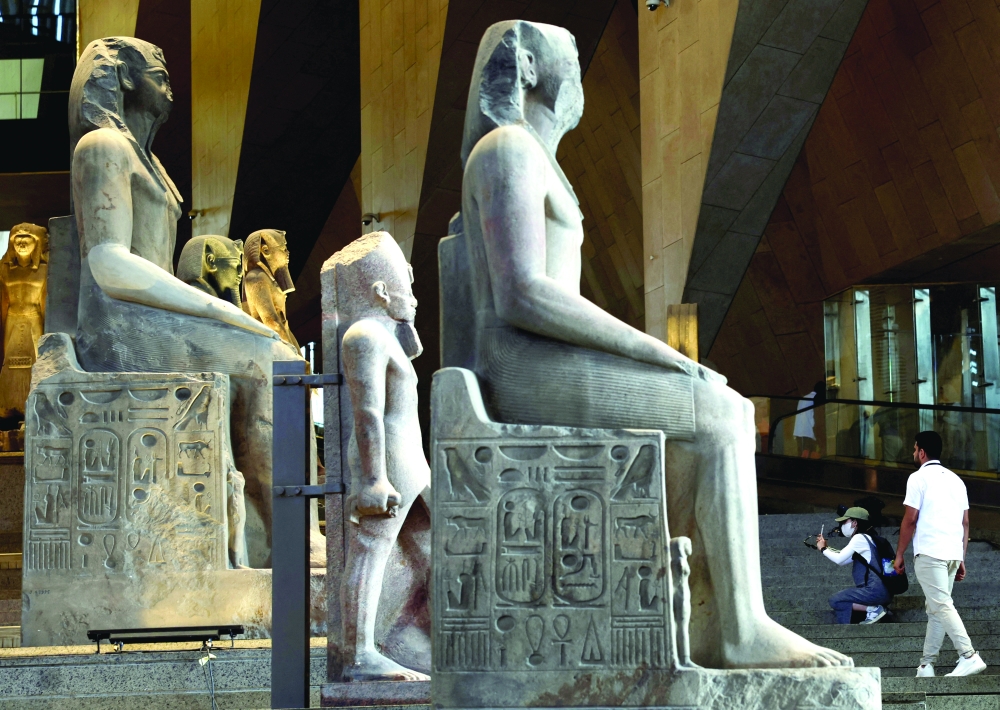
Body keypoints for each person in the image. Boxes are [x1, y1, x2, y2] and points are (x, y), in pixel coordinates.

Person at [451, 20, 850, 668]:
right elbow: (521, 292)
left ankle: (703, 618)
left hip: (548, 360)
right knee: (723, 412)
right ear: (527, 65)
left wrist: (658, 358)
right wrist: (657, 351)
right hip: (521, 366)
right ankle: (740, 626)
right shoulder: (506, 151)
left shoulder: (534, 156)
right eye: (569, 55)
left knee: (705, 409)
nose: (578, 68)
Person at [69, 37, 322, 566]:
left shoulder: (149, 162)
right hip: (116, 326)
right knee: (270, 359)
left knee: (282, 359)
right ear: (123, 78)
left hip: (148, 318)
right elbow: (108, 262)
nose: (168, 81)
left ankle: (289, 528)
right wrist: (214, 308)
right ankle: (290, 536)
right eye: (156, 71)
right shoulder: (102, 148)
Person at [329, 232, 429, 682]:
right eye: (405, 283)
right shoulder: (364, 335)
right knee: (370, 552)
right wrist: (372, 479)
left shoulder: (384, 335)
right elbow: (365, 412)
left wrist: (405, 325)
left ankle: (424, 639)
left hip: (412, 465)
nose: (414, 295)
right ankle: (361, 654)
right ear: (381, 292)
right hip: (387, 466)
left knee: (436, 551)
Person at [894, 431, 986, 677]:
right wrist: (962, 556)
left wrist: (899, 553)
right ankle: (926, 665)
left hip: (930, 551)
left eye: (914, 449)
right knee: (935, 607)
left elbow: (910, 519)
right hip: (952, 553)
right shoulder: (957, 480)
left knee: (941, 605)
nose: (914, 453)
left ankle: (969, 655)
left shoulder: (917, 478)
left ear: (922, 452)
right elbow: (965, 522)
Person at [817, 507, 891, 624]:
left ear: (854, 523)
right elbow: (844, 558)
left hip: (873, 590)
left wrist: (823, 549)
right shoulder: (869, 539)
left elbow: (839, 560)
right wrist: (826, 548)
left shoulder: (859, 538)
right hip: (883, 590)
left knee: (836, 600)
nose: (842, 525)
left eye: (845, 521)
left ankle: (873, 609)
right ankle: (877, 609)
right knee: (840, 599)